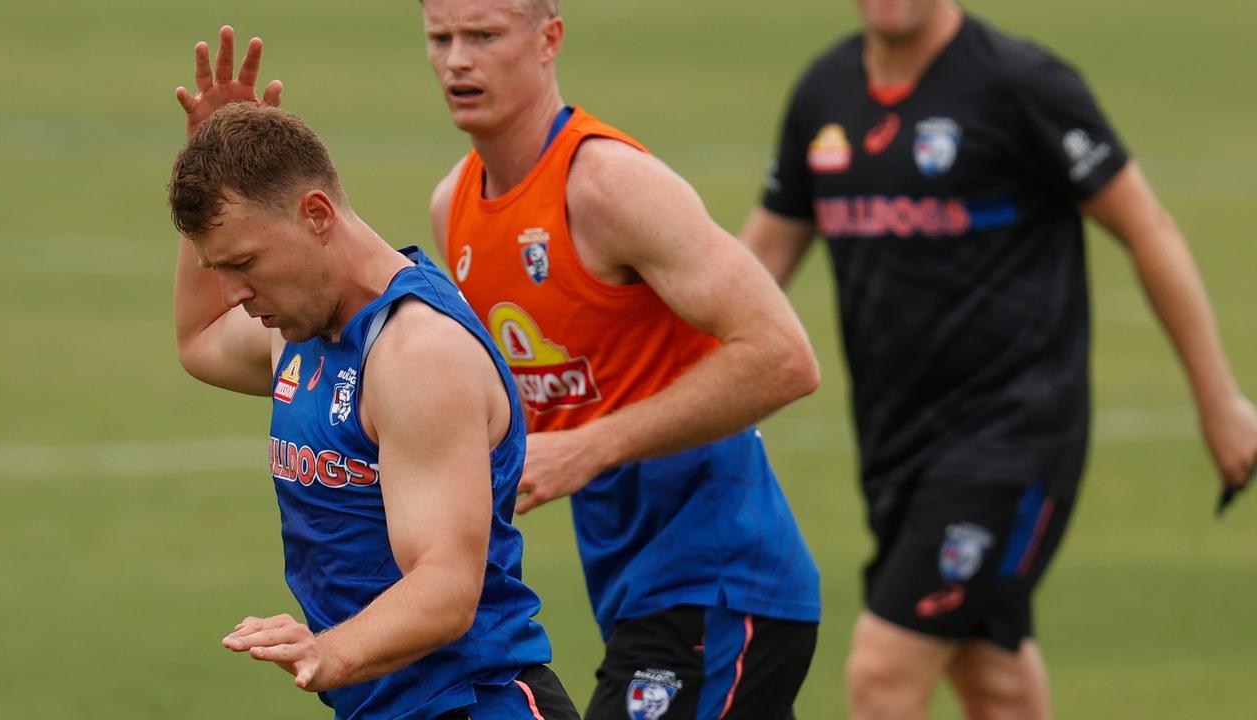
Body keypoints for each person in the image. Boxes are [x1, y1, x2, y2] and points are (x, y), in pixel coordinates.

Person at [741, 1, 1257, 718]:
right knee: (995, 684)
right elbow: (760, 261)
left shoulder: (1021, 85)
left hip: (1014, 441)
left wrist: (1220, 402)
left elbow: (1150, 229)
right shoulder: (824, 94)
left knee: (882, 674)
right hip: (896, 446)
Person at [422, 0, 824, 717]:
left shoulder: (608, 185)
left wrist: (588, 448)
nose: (457, 59)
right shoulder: (454, 205)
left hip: (724, 586)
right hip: (637, 592)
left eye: (483, 36)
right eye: (440, 37)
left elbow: (784, 356)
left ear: (549, 40)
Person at [169, 31, 579, 720]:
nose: (236, 294)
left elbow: (448, 588)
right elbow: (200, 338)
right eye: (222, 270)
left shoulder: (417, 355)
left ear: (318, 216)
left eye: (245, 263)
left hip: (475, 704)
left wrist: (329, 653)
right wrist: (210, 167)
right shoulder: (296, 329)